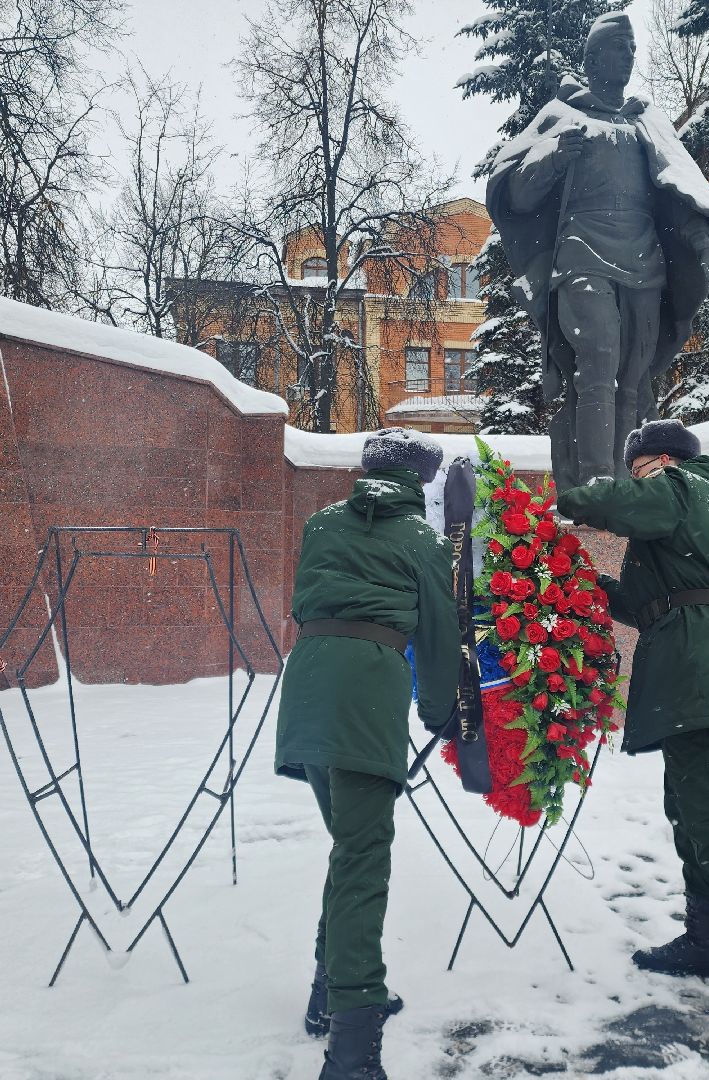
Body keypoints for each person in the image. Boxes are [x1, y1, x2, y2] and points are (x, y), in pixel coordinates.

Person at [556, 419, 709, 1052]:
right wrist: (583, 581)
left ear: (657, 460)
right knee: (689, 808)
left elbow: (614, 503)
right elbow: (640, 602)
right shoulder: (690, 513)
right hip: (691, 655)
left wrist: (569, 499)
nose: (637, 475)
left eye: (639, 465)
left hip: (700, 661)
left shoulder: (681, 483)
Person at [275, 427, 460, 1080]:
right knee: (362, 861)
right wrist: (445, 715)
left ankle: (332, 993)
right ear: (421, 480)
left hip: (307, 689)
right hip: (365, 695)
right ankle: (353, 1047)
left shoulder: (323, 524)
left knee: (350, 848)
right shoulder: (423, 541)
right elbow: (439, 641)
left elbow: (311, 602)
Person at [486, 10, 709, 490]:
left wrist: (705, 251)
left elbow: (675, 195)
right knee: (598, 359)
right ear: (593, 57)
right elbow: (514, 193)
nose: (627, 57)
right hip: (580, 253)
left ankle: (629, 480)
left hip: (644, 258)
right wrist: (555, 155)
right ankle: (597, 479)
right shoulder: (562, 115)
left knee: (635, 374)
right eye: (618, 48)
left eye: (632, 49)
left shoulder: (646, 122)